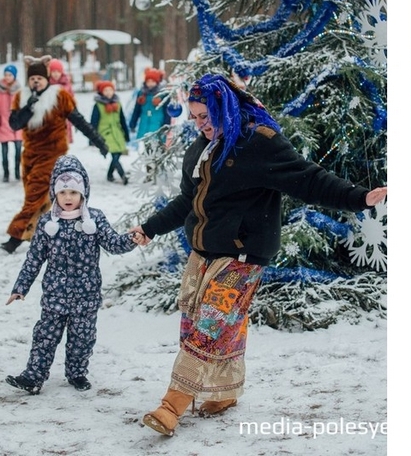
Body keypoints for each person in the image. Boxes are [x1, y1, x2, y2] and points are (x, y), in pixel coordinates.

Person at [129, 74, 387, 437]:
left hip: (242, 255)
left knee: (209, 327)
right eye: (194, 117)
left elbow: (309, 178)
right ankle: (225, 391)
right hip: (203, 254)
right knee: (205, 325)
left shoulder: (258, 144)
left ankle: (173, 404)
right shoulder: (200, 149)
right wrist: (150, 228)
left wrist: (359, 197)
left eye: (206, 116)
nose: (200, 124)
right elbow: (187, 201)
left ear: (224, 108)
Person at [5, 155, 138, 394]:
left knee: (82, 338)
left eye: (74, 192)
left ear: (83, 193)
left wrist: (132, 239)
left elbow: (114, 244)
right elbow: (34, 259)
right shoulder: (47, 223)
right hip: (55, 295)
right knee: (44, 336)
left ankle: (77, 373)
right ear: (55, 192)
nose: (68, 197)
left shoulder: (94, 219)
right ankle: (33, 377)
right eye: (63, 191)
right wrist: (20, 288)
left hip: (86, 296)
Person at [1, 55, 109, 254]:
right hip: (30, 155)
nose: (35, 81)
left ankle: (15, 237)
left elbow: (78, 120)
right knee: (38, 197)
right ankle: (43, 233)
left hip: (52, 153)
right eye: (32, 78)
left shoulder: (59, 96)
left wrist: (98, 140)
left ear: (47, 78)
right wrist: (29, 106)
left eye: (39, 78)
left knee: (34, 195)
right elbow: (15, 124)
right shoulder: (22, 96)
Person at [91, 80, 130, 184]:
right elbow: (93, 122)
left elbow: (122, 120)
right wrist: (92, 138)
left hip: (117, 132)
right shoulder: (98, 106)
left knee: (118, 153)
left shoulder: (118, 104)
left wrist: (126, 134)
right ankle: (123, 175)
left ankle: (109, 175)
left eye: (110, 90)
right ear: (101, 92)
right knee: (114, 155)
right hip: (105, 134)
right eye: (105, 90)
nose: (108, 92)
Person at [129, 67, 171, 140]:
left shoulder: (163, 94)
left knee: (156, 144)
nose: (150, 84)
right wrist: (133, 123)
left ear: (157, 82)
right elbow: (137, 110)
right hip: (144, 125)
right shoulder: (141, 94)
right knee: (144, 145)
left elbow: (167, 112)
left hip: (158, 124)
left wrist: (166, 125)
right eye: (148, 81)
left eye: (152, 81)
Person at [0, 64, 22, 182]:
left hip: (17, 125)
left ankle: (17, 171)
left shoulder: (19, 91)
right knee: (4, 152)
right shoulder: (0, 91)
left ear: (14, 76)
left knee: (18, 151)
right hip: (3, 124)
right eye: (6, 75)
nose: (7, 77)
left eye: (10, 75)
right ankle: (6, 173)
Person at [49, 58, 75, 144]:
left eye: (58, 71)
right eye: (53, 71)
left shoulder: (67, 84)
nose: (56, 74)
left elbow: (71, 98)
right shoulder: (47, 85)